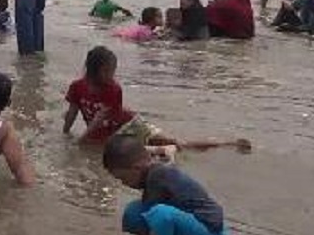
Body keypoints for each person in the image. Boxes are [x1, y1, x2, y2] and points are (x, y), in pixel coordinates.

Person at [64, 47, 250, 155]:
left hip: (127, 126)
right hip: (108, 134)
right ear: (95, 70)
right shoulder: (77, 86)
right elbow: (72, 112)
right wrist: (65, 134)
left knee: (176, 144)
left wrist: (80, 140)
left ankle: (228, 144)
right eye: (109, 71)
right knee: (167, 149)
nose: (113, 75)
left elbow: (109, 125)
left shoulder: (114, 89)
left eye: (113, 70)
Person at [103, 135, 229, 235]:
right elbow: (145, 225)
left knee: (159, 214)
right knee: (135, 211)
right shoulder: (151, 175)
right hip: (194, 230)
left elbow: (155, 221)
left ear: (137, 168)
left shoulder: (158, 176)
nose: (123, 183)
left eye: (123, 178)